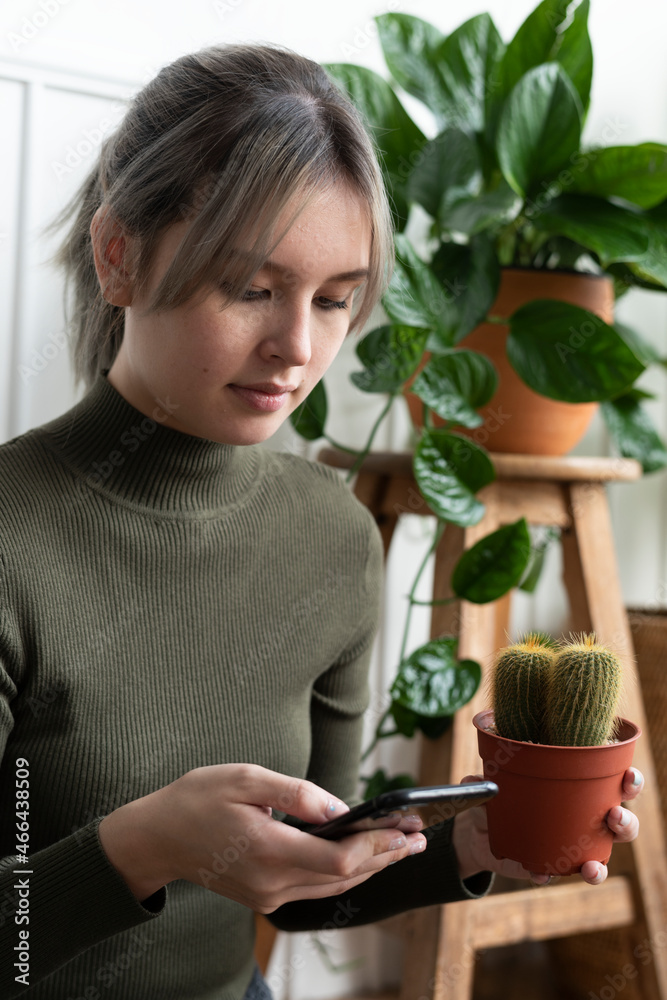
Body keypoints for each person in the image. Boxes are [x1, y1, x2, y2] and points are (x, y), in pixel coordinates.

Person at [0, 42, 643, 1000]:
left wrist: (471, 843)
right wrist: (144, 847)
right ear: (118, 257)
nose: (298, 348)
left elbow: (305, 889)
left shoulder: (330, 540)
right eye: (251, 289)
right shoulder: (16, 541)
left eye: (336, 300)